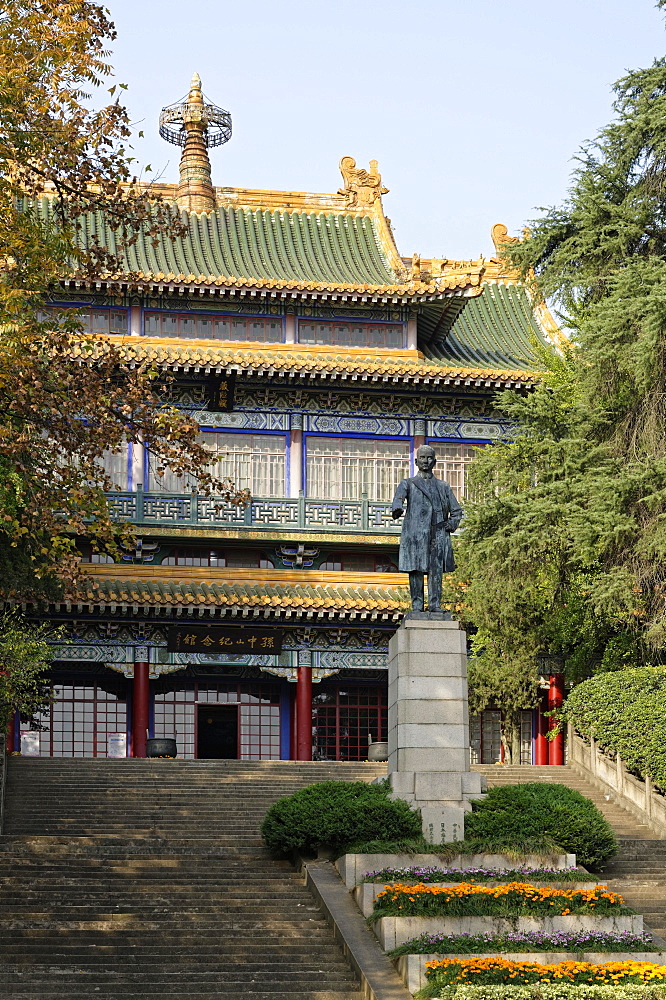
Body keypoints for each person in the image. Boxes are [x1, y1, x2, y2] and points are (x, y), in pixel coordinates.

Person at [391, 445, 463, 612]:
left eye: (429, 458)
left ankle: (435, 605)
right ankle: (416, 606)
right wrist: (397, 508)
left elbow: (457, 511)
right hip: (415, 534)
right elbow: (398, 498)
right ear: (416, 461)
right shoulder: (408, 483)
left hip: (437, 534)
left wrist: (451, 524)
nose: (426, 461)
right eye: (422, 458)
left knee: (435, 570)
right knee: (415, 569)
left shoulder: (443, 486)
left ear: (435, 462)